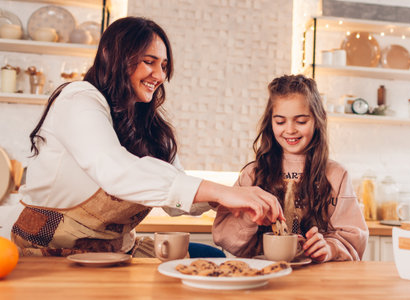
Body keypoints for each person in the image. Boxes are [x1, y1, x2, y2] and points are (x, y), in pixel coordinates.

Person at [10, 17, 283, 257]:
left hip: (114, 255)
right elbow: (115, 170)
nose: (160, 75)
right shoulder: (78, 98)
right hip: (42, 256)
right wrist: (224, 192)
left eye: (164, 65)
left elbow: (175, 201)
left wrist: (228, 198)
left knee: (210, 260)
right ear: (113, 56)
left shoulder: (147, 124)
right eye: (149, 62)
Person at [213, 74, 368, 262]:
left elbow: (355, 239)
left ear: (318, 120)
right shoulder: (252, 175)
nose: (290, 130)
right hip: (263, 278)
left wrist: (330, 248)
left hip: (317, 280)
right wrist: (249, 217)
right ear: (270, 122)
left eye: (301, 121)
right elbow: (224, 239)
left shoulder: (336, 175)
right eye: (280, 121)